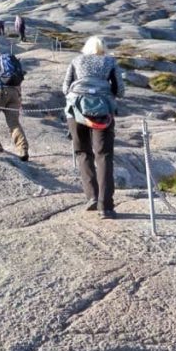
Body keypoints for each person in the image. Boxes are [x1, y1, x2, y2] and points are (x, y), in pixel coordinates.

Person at [62, 36, 124, 218]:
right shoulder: (110, 61)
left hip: (76, 111)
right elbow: (120, 90)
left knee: (82, 153)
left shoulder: (76, 60)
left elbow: (65, 88)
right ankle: (106, 207)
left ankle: (92, 198)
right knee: (104, 155)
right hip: (103, 111)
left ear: (86, 47)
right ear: (104, 47)